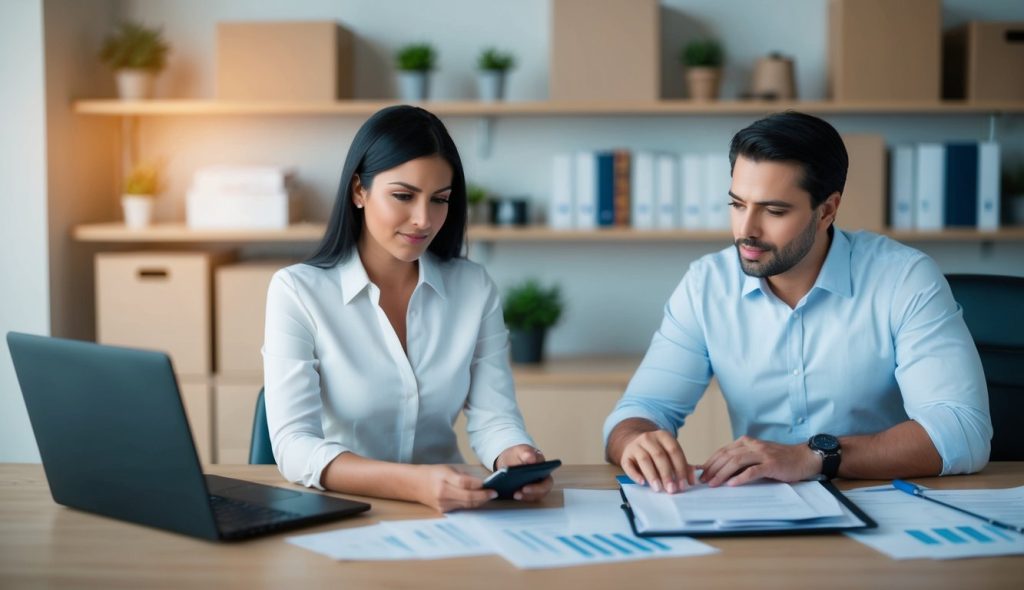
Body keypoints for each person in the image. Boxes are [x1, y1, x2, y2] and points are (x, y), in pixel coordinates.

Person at [604, 111, 992, 493]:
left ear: (826, 210)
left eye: (774, 211)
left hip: (882, 502)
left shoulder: (904, 279)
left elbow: (963, 431)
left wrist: (813, 457)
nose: (746, 230)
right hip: (761, 510)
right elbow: (640, 409)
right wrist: (636, 440)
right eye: (737, 205)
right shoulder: (706, 285)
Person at [263, 105, 552, 512]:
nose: (423, 220)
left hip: (448, 509)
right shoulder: (297, 291)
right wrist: (414, 483)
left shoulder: (473, 288)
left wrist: (516, 456)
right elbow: (295, 447)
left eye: (440, 200)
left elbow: (494, 419)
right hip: (340, 511)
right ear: (359, 191)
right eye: (403, 196)